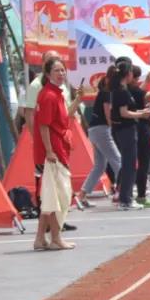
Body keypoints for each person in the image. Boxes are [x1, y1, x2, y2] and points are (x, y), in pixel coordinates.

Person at [32, 57, 76, 250]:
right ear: (48, 73)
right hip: (53, 152)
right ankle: (56, 237)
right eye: (57, 70)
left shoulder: (57, 94)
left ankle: (40, 238)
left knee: (51, 196)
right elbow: (44, 126)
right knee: (60, 196)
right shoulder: (48, 95)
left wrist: (78, 99)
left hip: (59, 149)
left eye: (63, 70)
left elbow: (65, 118)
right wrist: (49, 151)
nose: (61, 73)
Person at [110, 59, 150, 210]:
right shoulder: (121, 91)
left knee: (130, 164)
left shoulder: (122, 89)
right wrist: (141, 115)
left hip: (126, 129)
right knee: (129, 165)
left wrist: (142, 111)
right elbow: (123, 113)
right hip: (125, 130)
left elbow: (128, 110)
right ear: (128, 74)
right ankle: (125, 200)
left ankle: (126, 198)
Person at [78, 66, 121, 206]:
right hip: (102, 130)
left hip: (95, 130)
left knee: (100, 166)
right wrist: (114, 129)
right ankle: (122, 191)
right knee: (117, 160)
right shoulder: (107, 93)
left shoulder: (104, 92)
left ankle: (82, 195)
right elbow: (108, 114)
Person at [129, 66, 150, 207]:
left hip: (132, 129)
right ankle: (141, 195)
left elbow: (142, 92)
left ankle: (129, 194)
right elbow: (145, 94)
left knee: (132, 163)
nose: (137, 80)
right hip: (141, 128)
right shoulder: (132, 91)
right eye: (135, 77)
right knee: (143, 163)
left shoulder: (124, 90)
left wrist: (147, 81)